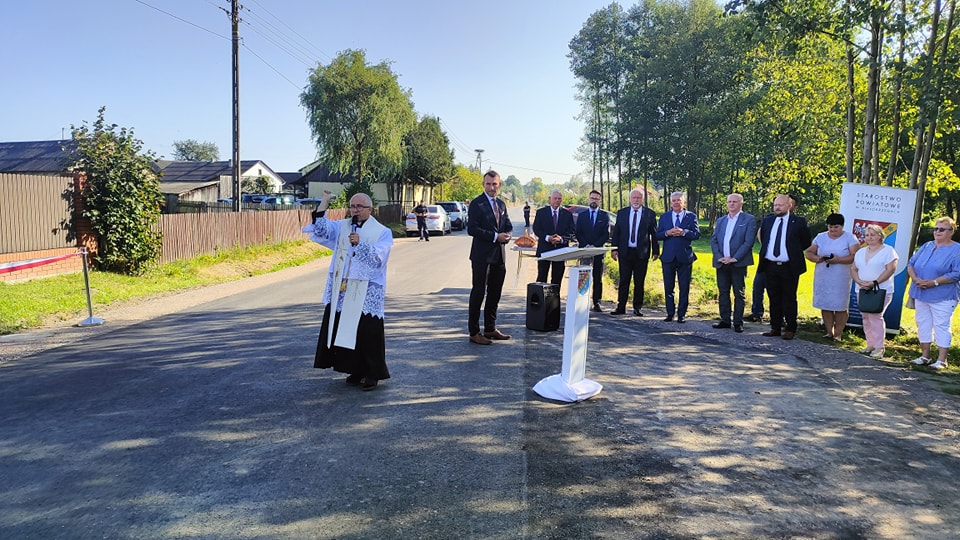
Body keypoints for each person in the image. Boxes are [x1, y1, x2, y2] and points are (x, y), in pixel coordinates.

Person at [302, 191, 393, 391]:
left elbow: (380, 257)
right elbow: (321, 228)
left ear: (370, 209)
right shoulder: (342, 226)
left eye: (360, 207)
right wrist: (324, 201)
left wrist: (360, 244)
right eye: (352, 206)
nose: (355, 210)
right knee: (345, 329)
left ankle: (373, 373)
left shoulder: (382, 231)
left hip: (367, 288)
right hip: (342, 287)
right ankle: (355, 369)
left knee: (367, 331)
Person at [906, 217, 960, 370]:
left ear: (951, 231)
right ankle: (925, 356)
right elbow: (911, 264)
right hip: (921, 292)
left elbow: (957, 273)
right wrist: (916, 279)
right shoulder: (927, 245)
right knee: (922, 323)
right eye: (935, 229)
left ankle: (942, 360)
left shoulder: (957, 250)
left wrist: (934, 282)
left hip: (943, 295)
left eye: (941, 229)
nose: (937, 232)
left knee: (941, 325)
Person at [467, 170, 513, 345]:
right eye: (488, 184)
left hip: (499, 256)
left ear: (499, 185)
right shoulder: (476, 204)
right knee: (478, 293)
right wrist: (495, 237)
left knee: (495, 293)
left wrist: (507, 234)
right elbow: (472, 229)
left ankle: (490, 328)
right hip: (481, 256)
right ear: (483, 184)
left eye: (495, 184)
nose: (492, 187)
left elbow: (507, 225)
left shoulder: (501, 204)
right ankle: (474, 332)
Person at [757, 194, 811, 340]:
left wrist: (791, 250)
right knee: (773, 297)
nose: (777, 207)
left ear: (789, 205)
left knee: (789, 298)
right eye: (775, 205)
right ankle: (775, 327)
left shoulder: (798, 222)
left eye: (780, 205)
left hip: (789, 267)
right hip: (770, 265)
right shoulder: (768, 220)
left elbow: (805, 241)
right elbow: (763, 238)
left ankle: (791, 328)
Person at [804, 213, 860, 341]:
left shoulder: (850, 238)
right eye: (830, 227)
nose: (833, 230)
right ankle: (829, 332)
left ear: (842, 226)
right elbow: (809, 252)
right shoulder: (821, 237)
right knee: (826, 304)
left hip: (841, 277)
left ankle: (838, 334)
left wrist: (838, 259)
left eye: (836, 227)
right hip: (823, 275)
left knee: (840, 305)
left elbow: (855, 256)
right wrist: (818, 258)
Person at [710, 193, 756, 333]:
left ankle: (737, 322)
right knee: (723, 292)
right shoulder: (722, 220)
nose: (731, 204)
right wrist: (719, 256)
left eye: (735, 202)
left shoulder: (749, 219)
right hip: (721, 262)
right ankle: (725, 320)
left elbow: (748, 242)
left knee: (739, 293)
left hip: (738, 263)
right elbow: (714, 240)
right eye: (729, 201)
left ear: (741, 203)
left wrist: (734, 258)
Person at [850, 224, 898, 358]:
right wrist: (859, 281)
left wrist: (874, 283)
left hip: (880, 290)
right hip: (862, 289)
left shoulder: (889, 251)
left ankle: (879, 347)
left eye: (872, 235)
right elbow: (853, 269)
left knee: (876, 316)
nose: (869, 237)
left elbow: (890, 269)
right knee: (865, 316)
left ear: (880, 236)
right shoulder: (860, 252)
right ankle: (870, 344)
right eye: (866, 235)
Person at [610, 188, 659, 316]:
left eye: (639, 198)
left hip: (641, 253)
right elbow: (617, 233)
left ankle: (637, 307)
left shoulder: (650, 214)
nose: (636, 200)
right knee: (624, 280)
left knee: (639, 281)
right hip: (625, 252)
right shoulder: (622, 213)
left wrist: (656, 251)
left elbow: (654, 234)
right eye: (634, 197)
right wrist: (614, 249)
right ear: (630, 199)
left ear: (642, 199)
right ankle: (621, 307)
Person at [657, 192, 701, 323]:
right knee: (668, 286)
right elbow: (657, 235)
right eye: (674, 201)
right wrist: (667, 233)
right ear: (671, 203)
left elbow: (697, 234)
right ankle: (670, 313)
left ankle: (681, 314)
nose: (676, 203)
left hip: (685, 257)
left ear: (684, 202)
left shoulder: (691, 216)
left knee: (684, 287)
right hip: (668, 257)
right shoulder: (664, 217)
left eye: (679, 200)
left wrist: (683, 232)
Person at [575, 189, 611, 312]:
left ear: (600, 201)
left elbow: (605, 235)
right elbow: (578, 232)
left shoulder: (604, 216)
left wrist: (595, 245)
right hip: (584, 251)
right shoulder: (582, 215)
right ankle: (581, 300)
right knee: (583, 276)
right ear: (588, 199)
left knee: (597, 277)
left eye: (596, 198)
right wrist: (585, 245)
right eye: (592, 198)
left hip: (598, 251)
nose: (594, 200)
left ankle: (596, 302)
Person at [533, 190, 576, 285]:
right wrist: (547, 238)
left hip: (560, 251)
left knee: (557, 279)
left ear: (562, 200)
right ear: (550, 199)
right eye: (555, 198)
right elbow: (536, 229)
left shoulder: (567, 214)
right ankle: (541, 299)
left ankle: (554, 299)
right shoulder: (541, 213)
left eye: (559, 199)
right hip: (544, 250)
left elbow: (572, 231)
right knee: (541, 278)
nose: (557, 200)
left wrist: (561, 239)